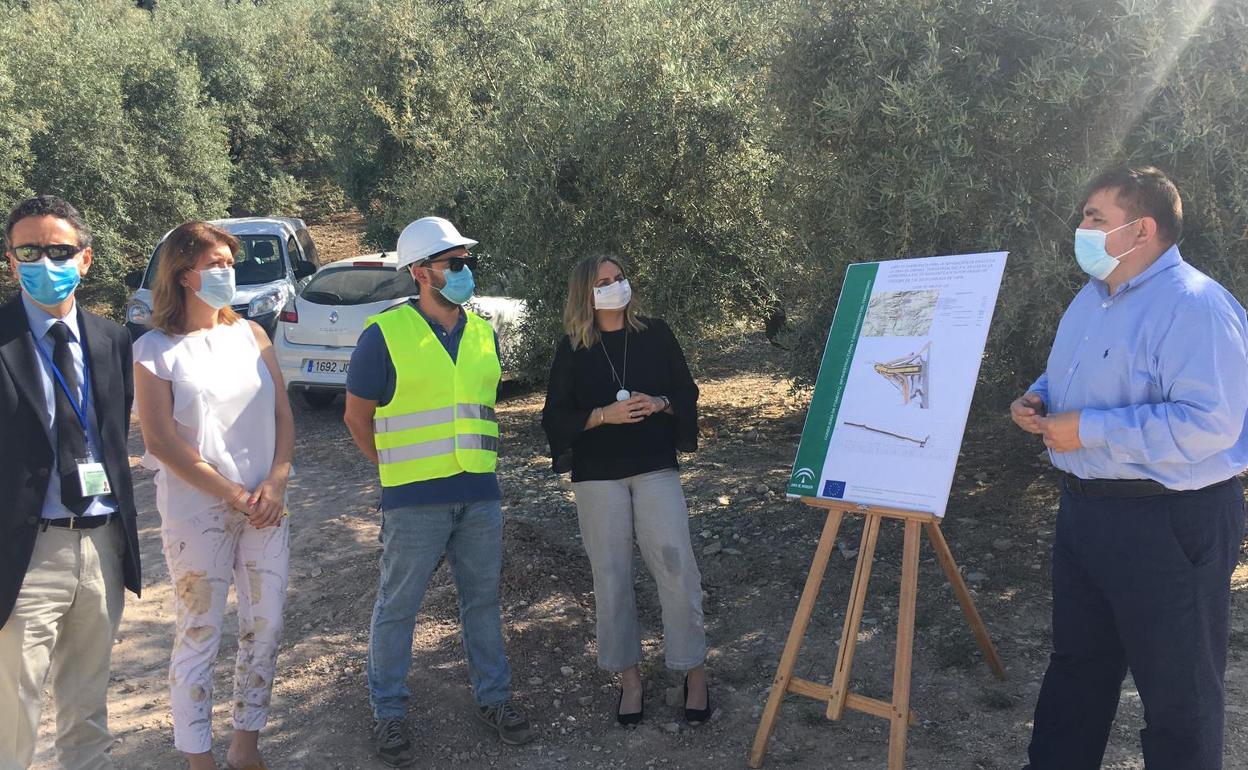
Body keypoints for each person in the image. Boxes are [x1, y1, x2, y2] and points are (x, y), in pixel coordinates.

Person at [1012, 167, 1248, 770]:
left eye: (1095, 218)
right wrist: (1038, 400)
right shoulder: (1092, 298)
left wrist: (1087, 428)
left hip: (1170, 523)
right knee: (1077, 670)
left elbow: (1211, 423)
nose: (1081, 229)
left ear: (1140, 228)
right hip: (1087, 514)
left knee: (1179, 697)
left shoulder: (1195, 307)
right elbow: (1070, 375)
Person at [343, 216, 531, 768]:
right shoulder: (383, 335)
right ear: (422, 272)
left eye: (466, 260)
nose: (465, 270)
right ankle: (389, 714)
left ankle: (494, 701)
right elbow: (357, 417)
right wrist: (393, 468)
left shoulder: (482, 331)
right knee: (397, 609)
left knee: (483, 603)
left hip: (479, 493)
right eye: (454, 262)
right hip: (413, 499)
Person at [132, 221, 293, 770]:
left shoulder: (252, 335)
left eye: (230, 262)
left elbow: (282, 416)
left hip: (265, 509)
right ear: (183, 275)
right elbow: (160, 441)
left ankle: (245, 747)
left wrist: (274, 482)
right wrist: (230, 492)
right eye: (216, 263)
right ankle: (198, 759)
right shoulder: (155, 349)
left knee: (266, 626)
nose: (227, 271)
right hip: (197, 512)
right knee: (200, 633)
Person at [0, 195, 142, 770]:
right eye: (29, 250)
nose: (44, 261)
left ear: (85, 260)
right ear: (11, 261)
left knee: (88, 711)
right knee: (14, 713)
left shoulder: (112, 339)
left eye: (58, 250)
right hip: (26, 550)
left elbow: (112, 434)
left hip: (102, 542)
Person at [541, 255, 709, 727]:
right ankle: (629, 680)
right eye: (603, 282)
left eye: (619, 279)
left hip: (654, 466)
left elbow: (687, 392)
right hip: (597, 475)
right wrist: (601, 415)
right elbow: (554, 417)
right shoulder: (572, 348)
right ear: (585, 293)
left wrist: (660, 403)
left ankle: (693, 672)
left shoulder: (656, 333)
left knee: (677, 567)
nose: (615, 287)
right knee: (611, 578)